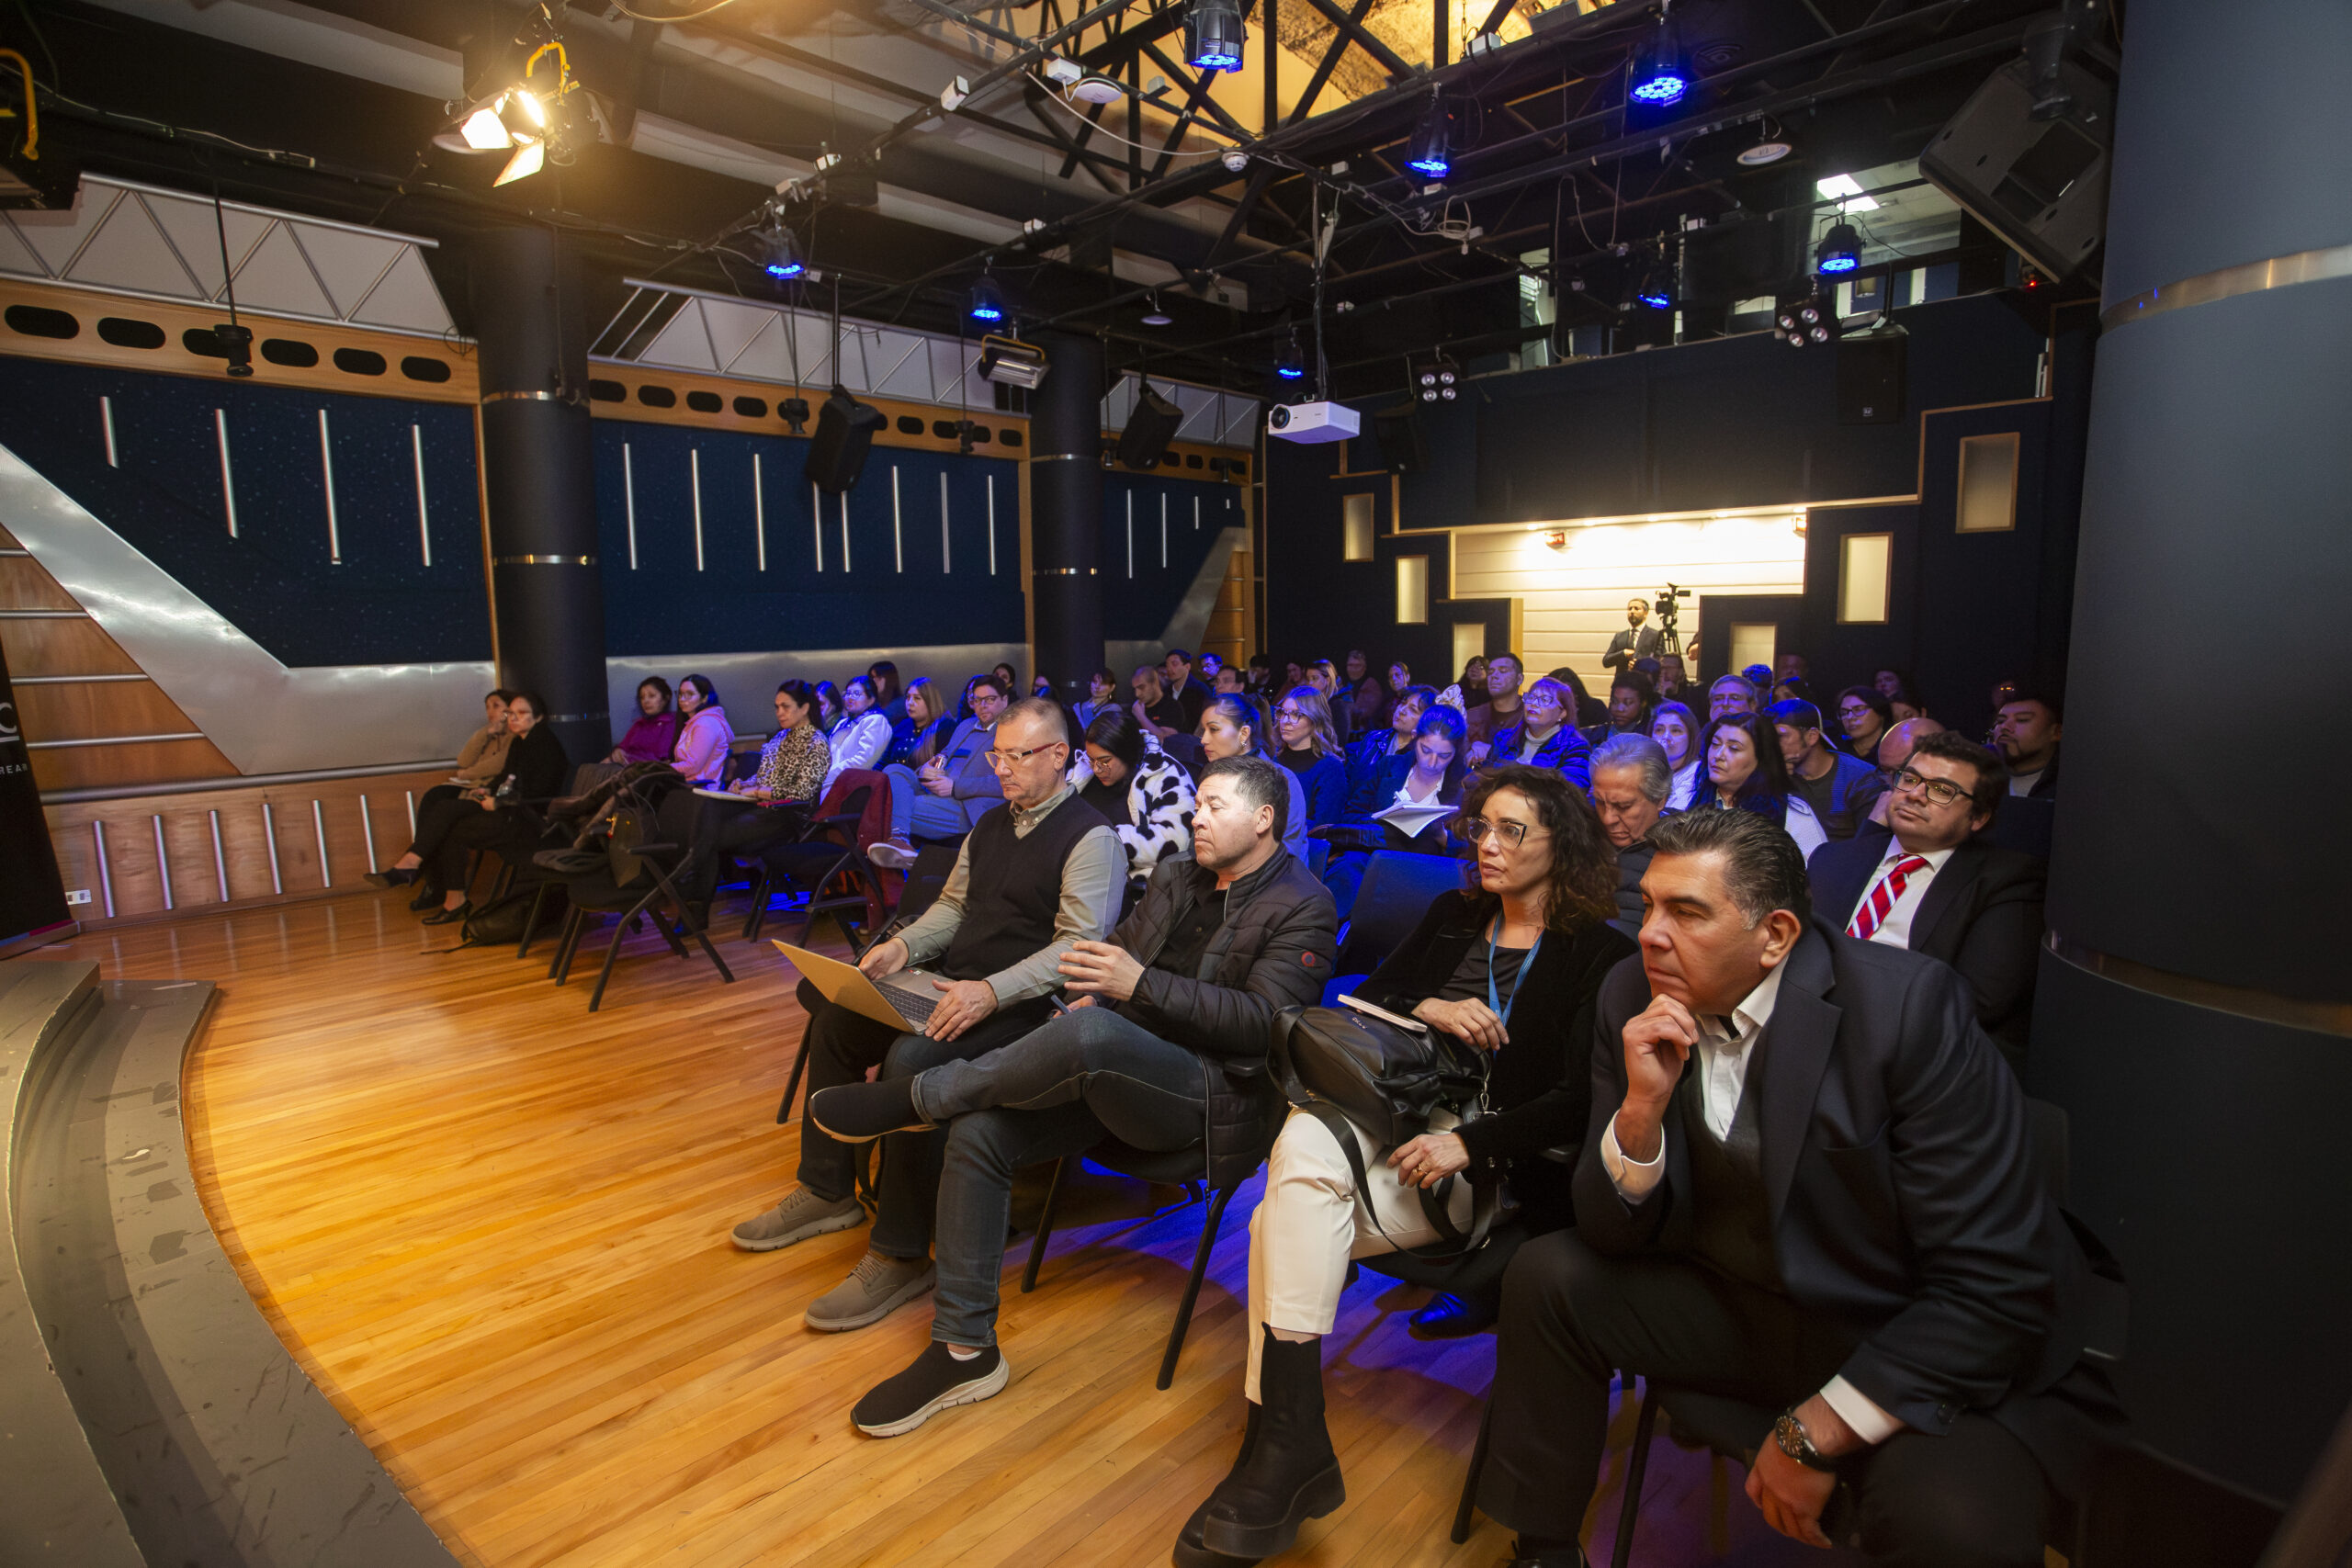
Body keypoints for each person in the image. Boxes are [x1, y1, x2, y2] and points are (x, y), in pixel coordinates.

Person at [1477, 808, 2120, 1568]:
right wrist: (1641, 1112)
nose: (1649, 933)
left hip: (1896, 1323)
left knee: (1954, 1522)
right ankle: (1545, 1551)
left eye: (1686, 911)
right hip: (1739, 1298)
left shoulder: (1904, 1009)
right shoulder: (1631, 991)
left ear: (1776, 935)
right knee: (1548, 1274)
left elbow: (1996, 1279)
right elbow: (1607, 1230)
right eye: (1648, 904)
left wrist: (1811, 1431)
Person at [1177, 765, 1636, 1564]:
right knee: (1303, 1153)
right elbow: (1369, 991)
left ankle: (1278, 1451)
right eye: (1481, 827)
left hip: (1486, 1158)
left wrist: (1473, 1143)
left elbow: (1579, 1100)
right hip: (1389, 1119)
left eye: (1512, 831)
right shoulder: (1454, 915)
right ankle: (1285, 1444)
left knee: (1276, 1217)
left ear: (1562, 844)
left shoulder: (1600, 954)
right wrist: (1432, 1004)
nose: (1488, 844)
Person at [805, 756, 1338, 1437]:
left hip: (1208, 1095)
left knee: (1090, 1032)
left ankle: (917, 1098)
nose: (1196, 817)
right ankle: (964, 1350)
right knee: (981, 1129)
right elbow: (1112, 956)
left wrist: (1134, 988)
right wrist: (1091, 995)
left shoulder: (1304, 903)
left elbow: (1263, 1025)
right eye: (1197, 803)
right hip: (1113, 1066)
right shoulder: (1177, 875)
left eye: (1215, 806)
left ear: (1264, 819)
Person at [729, 700, 1125, 1288]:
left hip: (1026, 1009)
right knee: (836, 1021)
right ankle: (827, 1190)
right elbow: (953, 907)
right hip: (955, 986)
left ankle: (902, 1253)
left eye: (1017, 756)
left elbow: (1075, 950)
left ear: (1059, 755)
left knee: (913, 1058)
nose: (1001, 769)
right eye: (996, 756)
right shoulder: (992, 824)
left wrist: (988, 992)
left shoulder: (1091, 838)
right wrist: (902, 948)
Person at [1807, 731, 2044, 1071]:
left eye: (1942, 790)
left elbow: (1979, 1000)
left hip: (1911, 1051)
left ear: (1978, 817)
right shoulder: (1833, 859)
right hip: (1806, 1026)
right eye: (1910, 779)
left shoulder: (2005, 880)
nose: (1916, 795)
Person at [369, 692, 569, 925]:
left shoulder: (544, 745)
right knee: (445, 811)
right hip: (510, 812)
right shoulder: (520, 743)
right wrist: (487, 791)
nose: (513, 718)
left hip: (528, 820)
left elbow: (538, 793)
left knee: (449, 817)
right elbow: (505, 778)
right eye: (511, 713)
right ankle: (432, 882)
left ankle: (418, 871)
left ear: (539, 717)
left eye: (521, 713)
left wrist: (498, 802)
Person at [679, 681, 831, 912]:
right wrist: (743, 784)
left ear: (805, 708)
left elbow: (803, 792)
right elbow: (763, 777)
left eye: (786, 707)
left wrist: (758, 791)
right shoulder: (780, 738)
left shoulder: (816, 742)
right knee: (707, 811)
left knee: (710, 835)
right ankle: (691, 901)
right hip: (761, 808)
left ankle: (690, 897)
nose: (779, 712)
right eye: (777, 707)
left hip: (788, 816)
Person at [869, 672, 1012, 868]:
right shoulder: (966, 725)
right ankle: (900, 841)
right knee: (894, 769)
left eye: (990, 699)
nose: (983, 705)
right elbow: (943, 755)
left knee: (892, 806)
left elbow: (1008, 780)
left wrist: (954, 787)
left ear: (1004, 700)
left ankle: (898, 843)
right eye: (977, 700)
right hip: (937, 791)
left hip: (969, 806)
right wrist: (924, 770)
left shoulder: (1011, 732)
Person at [1072, 706, 1197, 901]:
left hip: (1132, 893)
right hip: (1079, 879)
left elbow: (1176, 839)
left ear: (1126, 753)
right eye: (1091, 759)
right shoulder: (1083, 773)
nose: (1097, 769)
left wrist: (1101, 842)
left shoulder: (1164, 773)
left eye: (1105, 761)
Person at [1692, 712, 1826, 860]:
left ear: (1760, 759)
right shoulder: (1691, 797)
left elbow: (1819, 868)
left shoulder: (1793, 812)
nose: (1718, 755)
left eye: (1734, 748)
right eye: (1715, 744)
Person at [1201, 692, 1310, 860]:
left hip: (1270, 874)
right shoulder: (1212, 778)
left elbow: (1284, 853)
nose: (1204, 739)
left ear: (1244, 733)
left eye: (1214, 729)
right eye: (1204, 730)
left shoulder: (1281, 781)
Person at [1588, 733, 1671, 939]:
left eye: (1623, 806)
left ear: (1660, 800)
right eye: (1600, 802)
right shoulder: (1578, 830)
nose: (1607, 819)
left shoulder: (1681, 853)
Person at [1770, 698, 1885, 842]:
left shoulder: (1860, 778)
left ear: (1812, 736)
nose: (1772, 744)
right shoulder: (1778, 774)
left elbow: (1870, 843)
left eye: (1780, 736)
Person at [1343, 683, 1435, 818]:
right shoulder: (1372, 739)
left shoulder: (1422, 756)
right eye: (1403, 703)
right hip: (1356, 819)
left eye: (1413, 710)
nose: (1402, 710)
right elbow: (1348, 781)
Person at [1488, 675, 1592, 785]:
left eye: (1544, 700)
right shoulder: (1503, 738)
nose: (1534, 704)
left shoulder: (1575, 747)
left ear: (1562, 713)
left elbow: (1572, 788)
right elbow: (1485, 777)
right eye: (1531, 697)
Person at [1272, 686, 1347, 829]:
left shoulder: (1330, 768)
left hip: (1307, 841)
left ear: (1314, 720)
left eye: (1296, 715)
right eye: (1282, 713)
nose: (1285, 721)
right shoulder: (1272, 760)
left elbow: (1324, 827)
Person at [1863, 716, 1949, 827]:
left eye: (1908, 777)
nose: (1892, 785)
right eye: (1887, 771)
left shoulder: (1943, 814)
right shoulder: (1879, 798)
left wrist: (1875, 827)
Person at [823, 676, 892, 795]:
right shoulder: (842, 723)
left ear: (871, 699)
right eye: (848, 693)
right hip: (830, 784)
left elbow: (864, 761)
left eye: (856, 694)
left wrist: (829, 774)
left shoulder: (876, 721)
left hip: (856, 788)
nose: (850, 698)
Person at [1993, 686, 2063, 797]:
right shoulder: (1978, 777)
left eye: (2022, 719)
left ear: (2056, 732)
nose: (2004, 726)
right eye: (2000, 721)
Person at [670, 674, 735, 787]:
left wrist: (662, 768)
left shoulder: (706, 724)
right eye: (680, 694)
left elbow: (692, 766)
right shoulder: (694, 723)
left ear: (704, 698)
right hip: (689, 785)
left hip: (702, 789)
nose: (682, 699)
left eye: (689, 694)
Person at [1465, 652, 1526, 764]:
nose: (1494, 676)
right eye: (1490, 672)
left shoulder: (1530, 716)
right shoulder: (1472, 716)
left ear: (1519, 679)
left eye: (1503, 671)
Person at [884, 677, 951, 769]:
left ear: (930, 702)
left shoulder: (945, 727)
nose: (910, 703)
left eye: (917, 698)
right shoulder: (903, 726)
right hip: (891, 776)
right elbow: (883, 761)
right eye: (908, 697)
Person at [608, 680, 677, 765]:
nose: (645, 701)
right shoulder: (640, 724)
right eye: (642, 697)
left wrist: (630, 759)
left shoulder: (670, 723)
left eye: (651, 696)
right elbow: (623, 746)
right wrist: (618, 751)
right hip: (625, 766)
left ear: (666, 698)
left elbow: (661, 758)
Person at [1651, 700, 1702, 811]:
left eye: (1676, 730)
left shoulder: (1699, 774)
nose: (1666, 737)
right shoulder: (1644, 769)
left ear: (1691, 737)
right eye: (1659, 730)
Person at [1585, 673, 1654, 745]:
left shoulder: (1651, 737)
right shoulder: (1591, 735)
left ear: (1643, 703)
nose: (1620, 709)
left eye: (1628, 703)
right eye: (1615, 701)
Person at [1836, 684, 1895, 765]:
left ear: (1880, 711)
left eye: (1858, 710)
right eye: (1844, 713)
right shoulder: (1839, 753)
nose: (1849, 717)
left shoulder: (1896, 749)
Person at [1602, 597, 1662, 676]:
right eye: (1630, 609)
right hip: (1622, 682)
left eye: (1636, 609)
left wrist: (1641, 664)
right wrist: (1623, 654)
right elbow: (1606, 661)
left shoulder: (1655, 635)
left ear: (1645, 613)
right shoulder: (1619, 636)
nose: (1632, 611)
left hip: (1645, 681)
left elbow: (1661, 662)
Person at [1132, 664, 1189, 740]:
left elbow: (1165, 739)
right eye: (1134, 689)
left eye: (1141, 687)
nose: (1137, 694)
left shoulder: (1172, 706)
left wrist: (1141, 717)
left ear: (1155, 684)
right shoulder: (1136, 708)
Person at [1162, 649, 1214, 732]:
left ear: (1187, 667)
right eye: (1167, 665)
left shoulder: (1199, 690)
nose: (1169, 668)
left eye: (1174, 664)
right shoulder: (1165, 691)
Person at [1305, 659, 1351, 744]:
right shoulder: (1309, 703)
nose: (1310, 683)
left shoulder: (1337, 705)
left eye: (1314, 678)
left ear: (1328, 680)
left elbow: (1340, 740)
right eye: (1308, 679)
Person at [1341, 649, 1387, 734]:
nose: (1353, 669)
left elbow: (1370, 713)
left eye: (1357, 666)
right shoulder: (1341, 684)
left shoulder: (1372, 685)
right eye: (1350, 665)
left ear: (1364, 667)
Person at [1073, 667, 1120, 732]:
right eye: (1095, 682)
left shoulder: (1114, 708)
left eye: (1103, 683)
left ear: (1112, 687)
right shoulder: (1078, 706)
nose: (1097, 686)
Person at [867, 660, 908, 726]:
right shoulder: (873, 704)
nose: (874, 682)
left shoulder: (901, 704)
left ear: (889, 679)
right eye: (872, 678)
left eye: (879, 678)